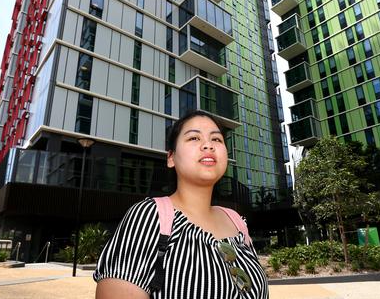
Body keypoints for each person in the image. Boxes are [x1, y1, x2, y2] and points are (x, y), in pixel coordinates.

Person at [93, 111, 268, 298]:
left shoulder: (236, 221)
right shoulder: (150, 217)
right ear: (171, 158)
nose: (208, 145)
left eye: (216, 139)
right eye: (194, 137)